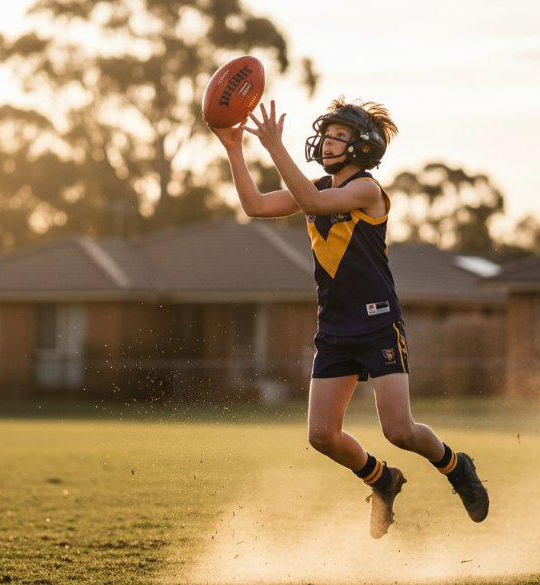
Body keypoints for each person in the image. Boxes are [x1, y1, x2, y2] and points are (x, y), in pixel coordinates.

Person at [210, 97, 489, 539]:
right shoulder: (319, 187)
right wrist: (233, 148)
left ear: (363, 149)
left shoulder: (367, 190)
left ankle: (457, 466)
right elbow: (256, 207)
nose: (327, 141)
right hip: (336, 328)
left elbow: (310, 201)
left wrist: (275, 147)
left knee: (399, 429)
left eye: (340, 136)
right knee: (321, 436)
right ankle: (382, 478)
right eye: (328, 133)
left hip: (378, 322)